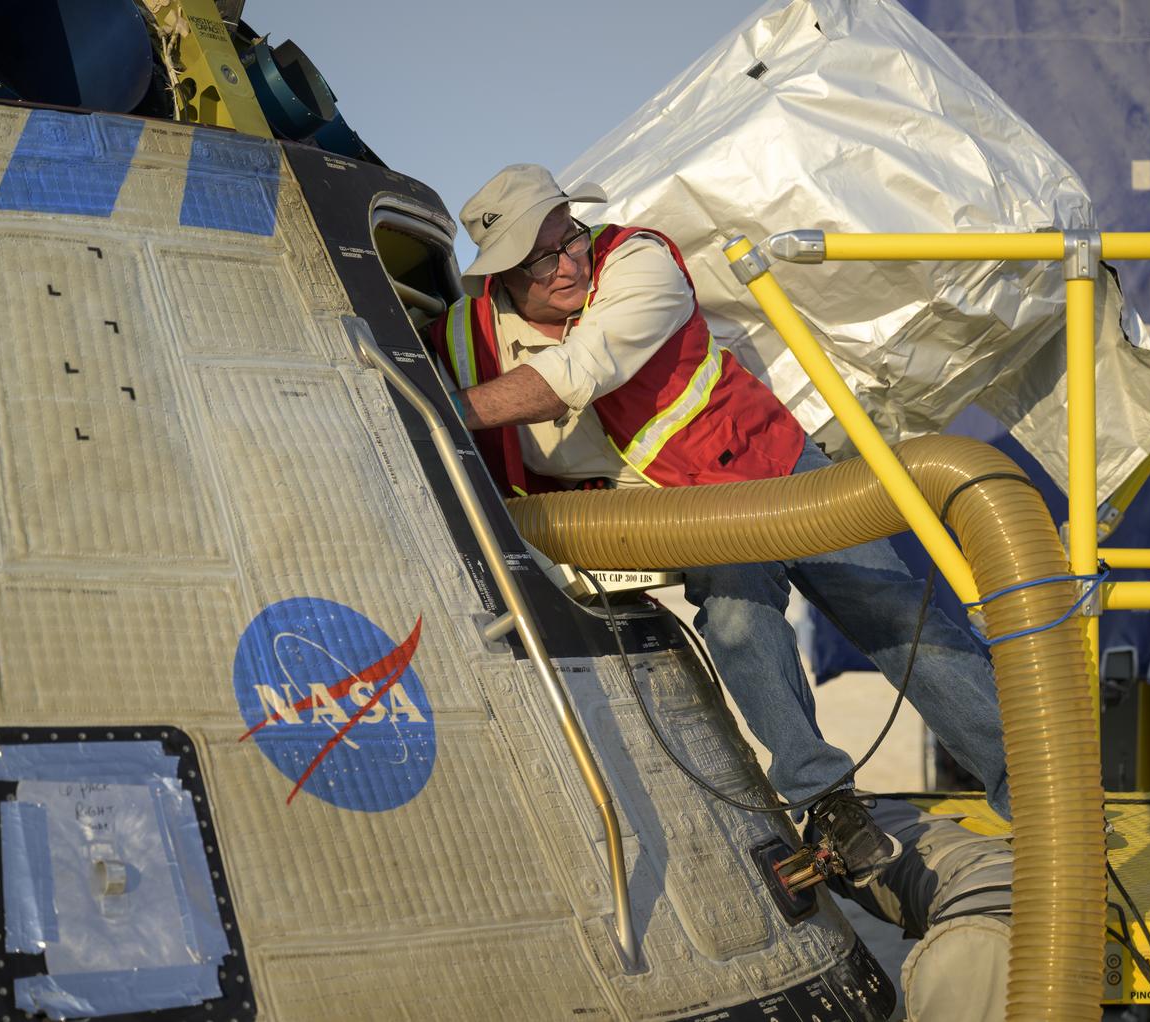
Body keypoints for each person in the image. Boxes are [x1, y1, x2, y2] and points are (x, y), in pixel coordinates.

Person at [429, 164, 1011, 884]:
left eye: (571, 238)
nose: (570, 263)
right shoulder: (463, 336)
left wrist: (445, 409)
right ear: (503, 273)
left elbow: (581, 369)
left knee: (892, 615)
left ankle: (1032, 786)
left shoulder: (639, 261)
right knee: (739, 625)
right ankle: (828, 807)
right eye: (544, 258)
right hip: (680, 510)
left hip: (772, 466)